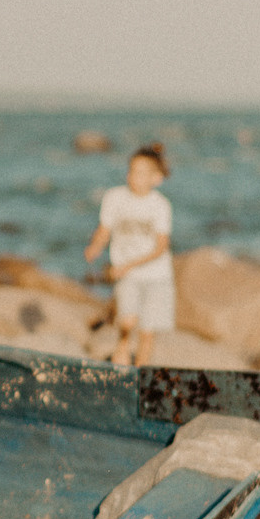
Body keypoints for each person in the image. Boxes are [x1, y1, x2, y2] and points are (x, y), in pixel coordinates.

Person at [85, 142, 174, 367]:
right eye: (133, 171)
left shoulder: (160, 205)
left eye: (143, 173)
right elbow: (104, 229)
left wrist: (129, 265)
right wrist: (95, 246)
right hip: (128, 276)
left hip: (157, 277)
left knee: (148, 330)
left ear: (157, 178)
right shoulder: (115, 197)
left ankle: (140, 373)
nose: (135, 177)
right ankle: (122, 345)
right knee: (127, 321)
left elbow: (161, 247)